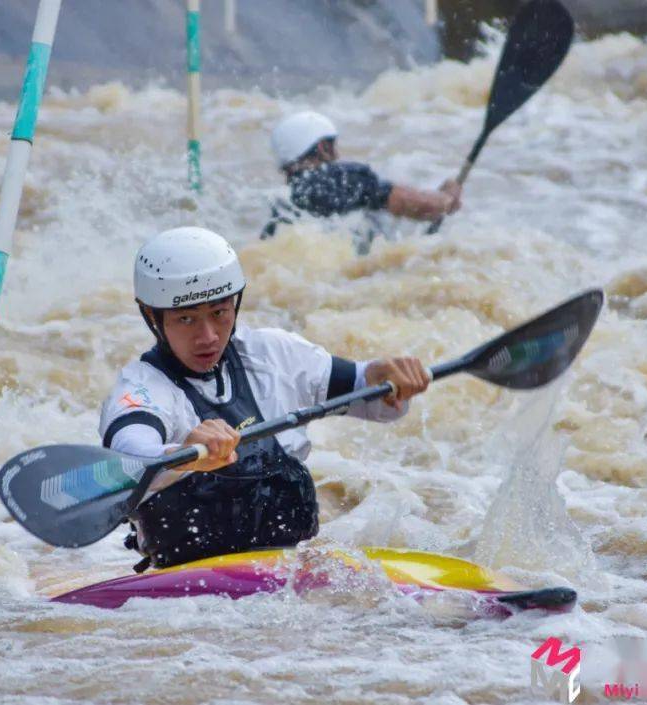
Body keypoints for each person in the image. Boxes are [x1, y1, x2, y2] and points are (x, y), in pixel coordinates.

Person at [100, 226, 431, 571]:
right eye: (186, 319)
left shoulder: (272, 353)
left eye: (219, 311)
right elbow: (128, 456)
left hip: (290, 576)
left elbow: (371, 397)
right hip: (192, 599)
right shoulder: (140, 389)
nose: (208, 336)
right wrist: (182, 456)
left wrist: (385, 377)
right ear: (152, 316)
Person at [261, 110, 463, 240]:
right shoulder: (344, 178)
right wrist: (446, 198)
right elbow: (418, 205)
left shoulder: (283, 205)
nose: (338, 154)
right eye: (333, 145)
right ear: (323, 148)